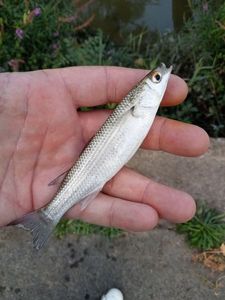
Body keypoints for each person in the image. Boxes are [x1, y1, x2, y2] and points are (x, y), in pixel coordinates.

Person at [0, 66, 209, 230]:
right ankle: (49, 215)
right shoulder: (141, 109)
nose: (161, 78)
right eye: (157, 78)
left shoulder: (144, 109)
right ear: (140, 97)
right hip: (91, 170)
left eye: (157, 78)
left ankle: (49, 215)